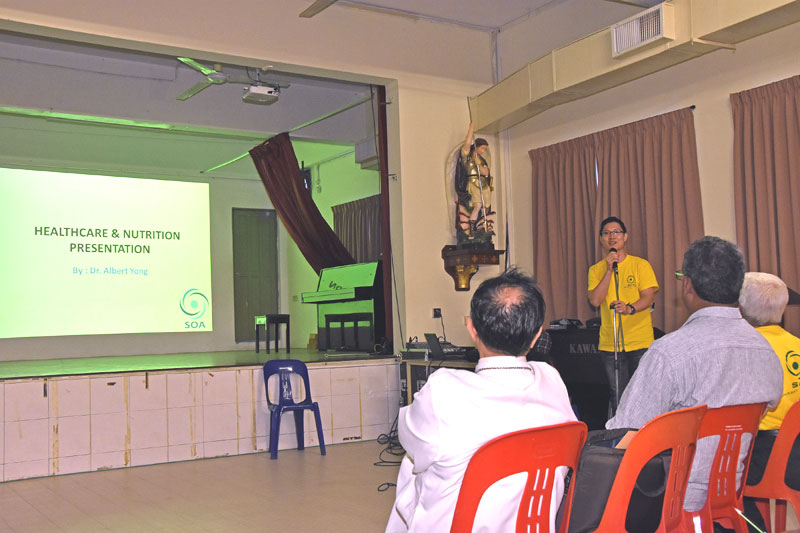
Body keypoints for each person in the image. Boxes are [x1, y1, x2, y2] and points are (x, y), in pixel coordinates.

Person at [385, 268, 576, 532]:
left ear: (471, 327)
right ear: (536, 336)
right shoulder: (551, 380)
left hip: (459, 525)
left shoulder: (444, 390)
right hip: (532, 525)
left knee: (412, 466)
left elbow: (410, 439)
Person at [607, 236, 783, 513]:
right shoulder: (764, 349)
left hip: (670, 499)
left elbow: (625, 434)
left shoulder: (668, 352)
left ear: (687, 285)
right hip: (730, 491)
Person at [738, 272, 800, 532]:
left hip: (768, 459)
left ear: (741, 308)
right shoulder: (797, 344)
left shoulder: (745, 350)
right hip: (795, 454)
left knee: (715, 481)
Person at [587, 216, 658, 410]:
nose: (612, 236)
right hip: (611, 344)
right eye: (606, 233)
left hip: (640, 341)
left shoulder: (640, 265)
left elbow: (648, 297)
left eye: (616, 232)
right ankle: (622, 428)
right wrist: (609, 271)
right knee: (618, 394)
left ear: (625, 237)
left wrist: (629, 308)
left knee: (642, 393)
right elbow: (595, 300)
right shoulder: (596, 270)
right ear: (601, 239)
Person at [454, 121, 494, 245]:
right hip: (473, 183)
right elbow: (467, 144)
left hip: (483, 184)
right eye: (482, 148)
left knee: (485, 207)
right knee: (477, 205)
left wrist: (479, 164)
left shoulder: (481, 159)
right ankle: (471, 228)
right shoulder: (467, 156)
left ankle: (481, 226)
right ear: (477, 146)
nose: (483, 151)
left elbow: (486, 172)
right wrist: (471, 129)